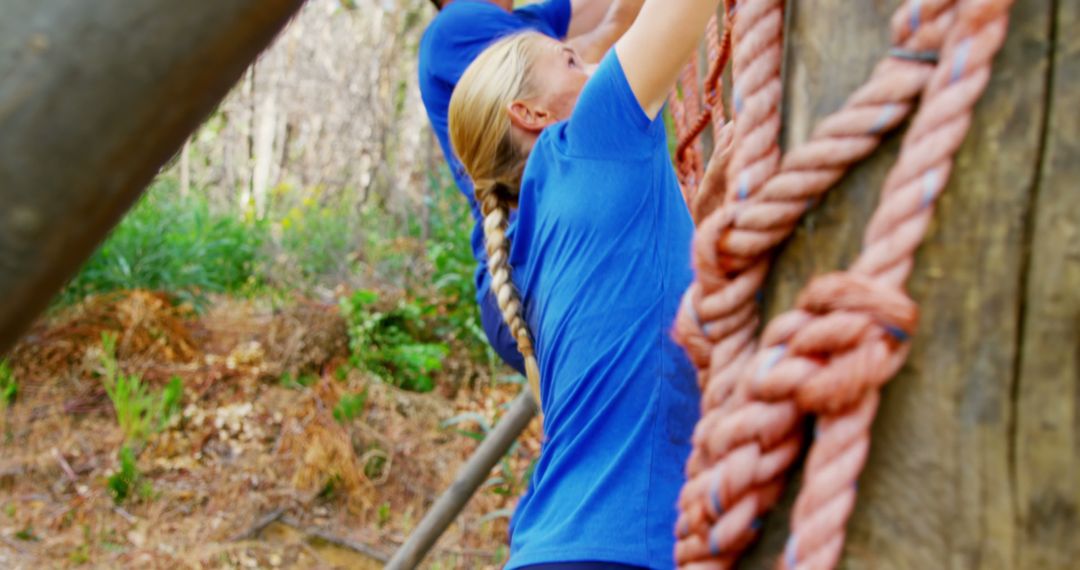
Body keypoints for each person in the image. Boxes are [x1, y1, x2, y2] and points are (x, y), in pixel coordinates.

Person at [446, 0, 720, 565]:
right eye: (571, 62)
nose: (595, 69)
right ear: (531, 113)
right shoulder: (596, 130)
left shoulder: (530, 249)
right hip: (619, 550)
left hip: (560, 548)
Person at [418, 0, 642, 398]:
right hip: (528, 267)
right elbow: (582, 84)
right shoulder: (459, 23)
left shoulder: (526, 22)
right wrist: (601, 39)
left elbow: (602, 14)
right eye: (568, 60)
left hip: (545, 260)